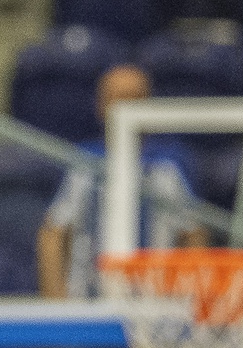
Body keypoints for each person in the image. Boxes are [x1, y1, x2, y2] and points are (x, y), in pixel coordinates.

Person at [38, 64, 200, 298]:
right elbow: (53, 232)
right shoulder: (85, 163)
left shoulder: (168, 166)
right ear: (101, 105)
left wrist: (186, 295)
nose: (126, 108)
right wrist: (56, 299)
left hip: (153, 307)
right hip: (90, 303)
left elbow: (193, 233)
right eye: (117, 99)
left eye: (134, 98)